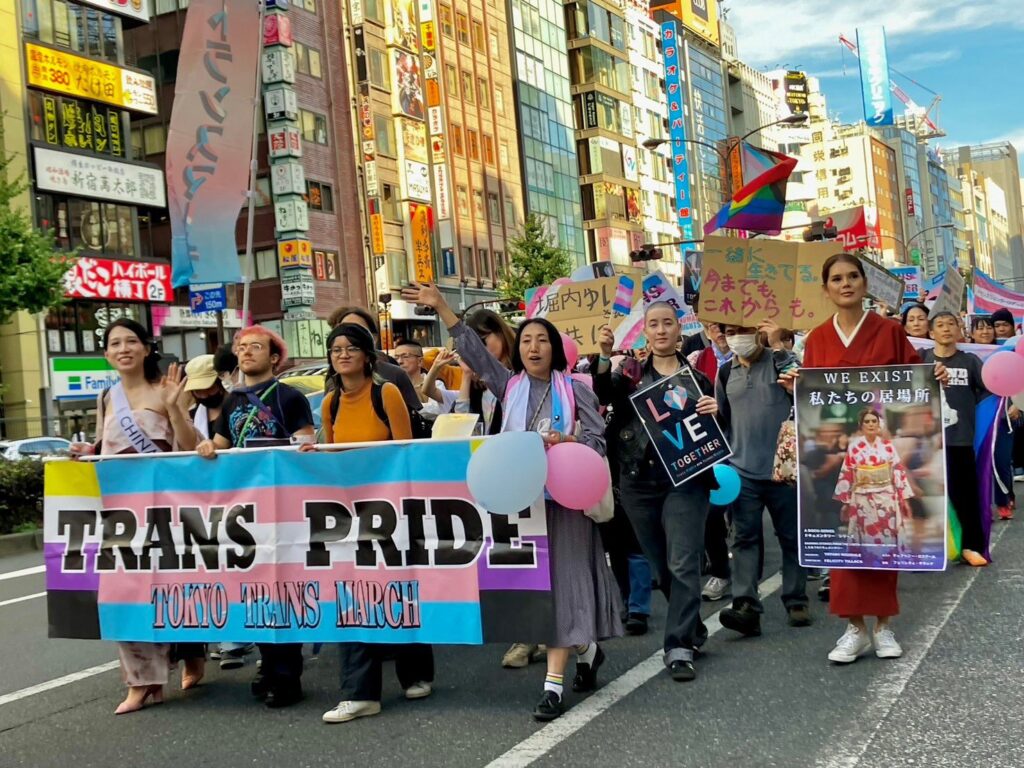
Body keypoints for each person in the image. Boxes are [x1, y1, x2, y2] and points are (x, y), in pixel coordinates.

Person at [402, 282, 620, 722]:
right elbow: (477, 354)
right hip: (522, 503)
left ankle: (552, 688)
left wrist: (569, 440)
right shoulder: (509, 386)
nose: (534, 347)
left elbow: (598, 440)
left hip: (567, 504)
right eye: (526, 340)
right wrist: (443, 307)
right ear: (517, 350)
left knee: (564, 588)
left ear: (556, 349)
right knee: (545, 590)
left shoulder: (576, 389)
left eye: (542, 340)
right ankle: (587, 648)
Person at [782, 253, 947, 665]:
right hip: (846, 458)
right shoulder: (818, 338)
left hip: (884, 448)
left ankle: (884, 626)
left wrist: (935, 377)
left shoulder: (890, 331)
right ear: (826, 289)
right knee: (847, 550)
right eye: (836, 278)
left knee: (883, 547)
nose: (846, 284)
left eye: (853, 276)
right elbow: (814, 401)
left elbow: (914, 382)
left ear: (864, 283)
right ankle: (853, 628)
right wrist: (795, 389)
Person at [69, 318, 200, 715]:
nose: (123, 348)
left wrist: (177, 408)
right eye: (114, 343)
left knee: (171, 588)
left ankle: (191, 653)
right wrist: (86, 453)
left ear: (146, 348)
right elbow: (103, 445)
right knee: (122, 591)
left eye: (131, 341)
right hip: (121, 510)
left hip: (164, 506)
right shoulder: (107, 397)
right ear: (107, 354)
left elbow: (189, 448)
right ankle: (143, 682)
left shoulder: (166, 391)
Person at [314, 324, 435, 724]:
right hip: (348, 515)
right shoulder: (329, 403)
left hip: (391, 511)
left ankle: (415, 671)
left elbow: (405, 454)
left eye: (350, 348)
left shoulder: (387, 394)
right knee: (351, 594)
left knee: (398, 590)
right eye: (335, 349)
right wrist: (315, 454)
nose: (342, 354)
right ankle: (360, 692)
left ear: (367, 355)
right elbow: (332, 458)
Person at [594, 302, 720, 683]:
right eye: (654, 324)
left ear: (679, 329)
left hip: (686, 480)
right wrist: (603, 354)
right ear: (645, 332)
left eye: (668, 323)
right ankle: (693, 625)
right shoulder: (629, 376)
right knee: (662, 565)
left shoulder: (698, 378)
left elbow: (720, 430)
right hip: (637, 480)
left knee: (683, 562)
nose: (661, 330)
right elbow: (603, 391)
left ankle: (678, 645)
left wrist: (718, 411)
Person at [196, 325, 315, 708]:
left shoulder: (289, 397)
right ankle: (269, 664)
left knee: (284, 587)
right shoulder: (232, 401)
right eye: (242, 347)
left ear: (274, 356)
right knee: (256, 590)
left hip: (283, 507)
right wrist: (206, 448)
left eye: (256, 347)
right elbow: (219, 444)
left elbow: (305, 441)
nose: (247, 353)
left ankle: (286, 674)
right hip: (244, 511)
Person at [716, 321, 810, 638]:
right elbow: (722, 420)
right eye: (730, 332)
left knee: (791, 537)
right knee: (743, 539)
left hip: (783, 470)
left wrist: (779, 346)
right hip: (742, 472)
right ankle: (745, 607)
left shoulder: (779, 361)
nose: (737, 337)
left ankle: (796, 599)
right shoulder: (725, 373)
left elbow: (804, 387)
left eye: (743, 330)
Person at [182, 354, 255, 669]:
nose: (200, 394)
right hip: (210, 497)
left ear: (220, 380)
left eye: (205, 386)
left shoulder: (238, 404)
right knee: (218, 563)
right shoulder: (193, 412)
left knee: (249, 562)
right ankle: (231, 637)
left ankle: (247, 637)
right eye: (195, 389)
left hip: (249, 491)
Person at [920, 311, 990, 565]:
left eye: (952, 324)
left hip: (960, 440)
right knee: (924, 497)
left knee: (966, 496)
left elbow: (990, 390)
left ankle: (972, 546)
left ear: (960, 331)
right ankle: (926, 549)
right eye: (940, 325)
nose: (946, 328)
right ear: (931, 333)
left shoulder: (970, 361)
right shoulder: (922, 359)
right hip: (927, 443)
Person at [687, 323, 733, 602]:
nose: (720, 329)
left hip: (747, 447)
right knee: (712, 513)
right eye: (713, 323)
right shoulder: (696, 358)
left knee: (749, 518)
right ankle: (721, 572)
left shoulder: (756, 356)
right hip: (710, 447)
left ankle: (750, 589)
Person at [834, 409, 915, 554]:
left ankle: (887, 562)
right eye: (867, 421)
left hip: (886, 496)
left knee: (887, 531)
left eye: (874, 421)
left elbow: (897, 471)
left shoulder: (888, 446)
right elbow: (847, 474)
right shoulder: (854, 447)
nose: (871, 424)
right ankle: (868, 565)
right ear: (861, 424)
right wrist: (845, 503)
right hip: (862, 497)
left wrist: (905, 500)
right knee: (865, 532)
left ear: (878, 424)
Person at [328, 306, 422, 412]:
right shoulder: (333, 380)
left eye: (359, 331)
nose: (350, 337)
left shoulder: (394, 374)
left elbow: (413, 418)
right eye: (344, 330)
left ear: (373, 338)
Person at [394, 339, 457, 418]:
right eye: (396, 358)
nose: (400, 361)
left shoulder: (436, 383)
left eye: (405, 356)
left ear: (420, 361)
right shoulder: (392, 385)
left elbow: (438, 409)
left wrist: (406, 407)